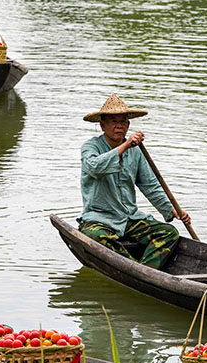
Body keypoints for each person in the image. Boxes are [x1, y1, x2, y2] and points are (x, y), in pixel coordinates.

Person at [78, 94, 191, 269]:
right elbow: (94, 167)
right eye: (113, 121)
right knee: (97, 238)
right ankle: (133, 268)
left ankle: (145, 270)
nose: (119, 126)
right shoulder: (91, 147)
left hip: (129, 218)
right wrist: (125, 146)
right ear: (102, 125)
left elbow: (150, 185)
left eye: (123, 122)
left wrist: (172, 209)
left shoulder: (135, 151)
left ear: (128, 125)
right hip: (99, 219)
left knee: (168, 233)